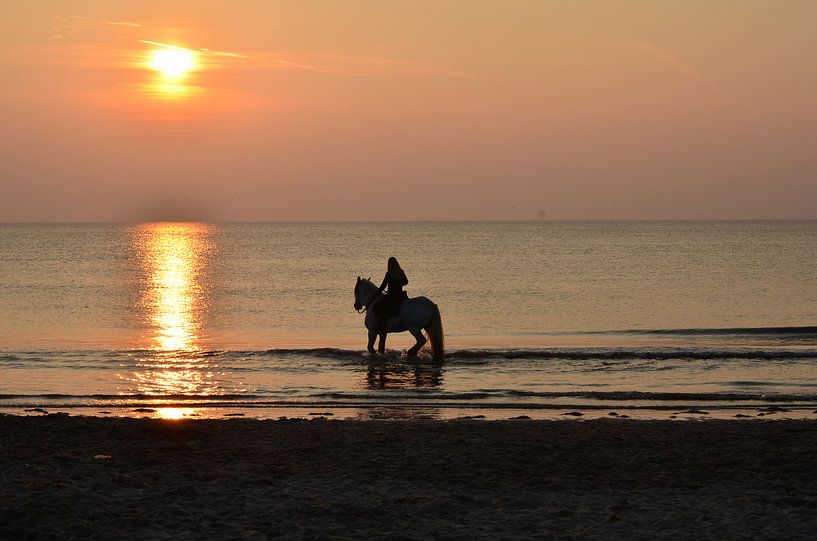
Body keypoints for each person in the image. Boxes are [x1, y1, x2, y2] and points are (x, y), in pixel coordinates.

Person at [375, 256, 408, 321]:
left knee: (380, 305)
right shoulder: (401, 271)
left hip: (391, 295)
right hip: (400, 295)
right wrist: (399, 284)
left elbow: (383, 285)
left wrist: (377, 291)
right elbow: (406, 282)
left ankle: (382, 322)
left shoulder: (388, 274)